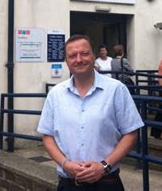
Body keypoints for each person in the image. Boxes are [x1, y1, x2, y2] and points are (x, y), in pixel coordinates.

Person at [37, 35, 144, 190]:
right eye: (72, 56)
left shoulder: (116, 89)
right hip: (68, 184)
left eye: (84, 53)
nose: (79, 59)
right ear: (66, 61)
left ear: (94, 56)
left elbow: (131, 133)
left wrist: (103, 166)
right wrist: (66, 164)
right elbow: (47, 136)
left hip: (107, 183)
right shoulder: (55, 94)